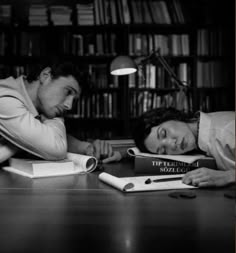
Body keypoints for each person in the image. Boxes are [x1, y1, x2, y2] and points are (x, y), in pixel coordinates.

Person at [0, 62, 121, 164]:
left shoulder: (28, 105)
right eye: (68, 92)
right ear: (45, 75)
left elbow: (40, 133)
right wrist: (56, 116)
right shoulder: (5, 98)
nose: (69, 105)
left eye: (74, 99)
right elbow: (56, 148)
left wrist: (88, 148)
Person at [133, 107, 235, 187]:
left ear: (170, 117)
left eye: (164, 133)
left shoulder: (228, 133)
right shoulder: (199, 128)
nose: (172, 145)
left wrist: (227, 177)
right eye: (164, 150)